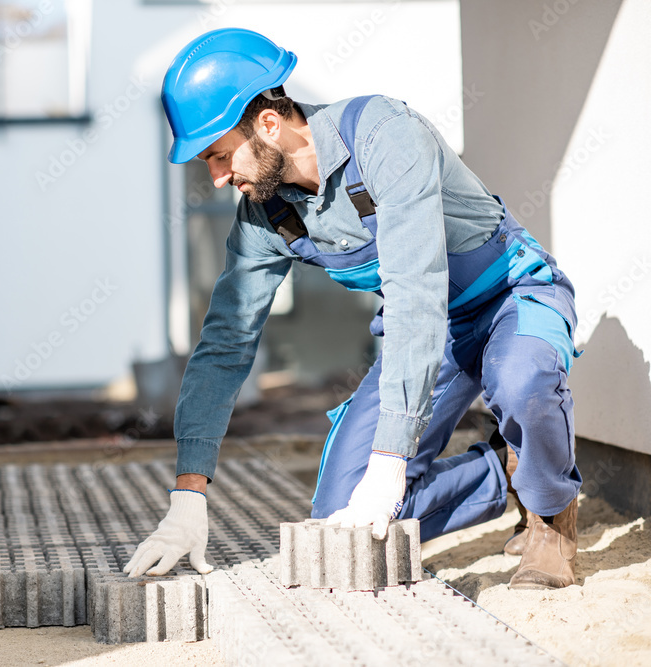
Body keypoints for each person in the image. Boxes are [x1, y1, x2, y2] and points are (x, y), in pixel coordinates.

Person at [123, 28, 582, 590]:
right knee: (339, 522)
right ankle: (503, 473)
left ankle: (551, 515)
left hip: (510, 297)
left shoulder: (386, 136)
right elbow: (225, 345)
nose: (217, 179)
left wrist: (391, 460)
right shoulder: (267, 216)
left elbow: (416, 288)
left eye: (219, 156)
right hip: (432, 337)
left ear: (268, 123)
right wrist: (188, 495)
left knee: (523, 380)